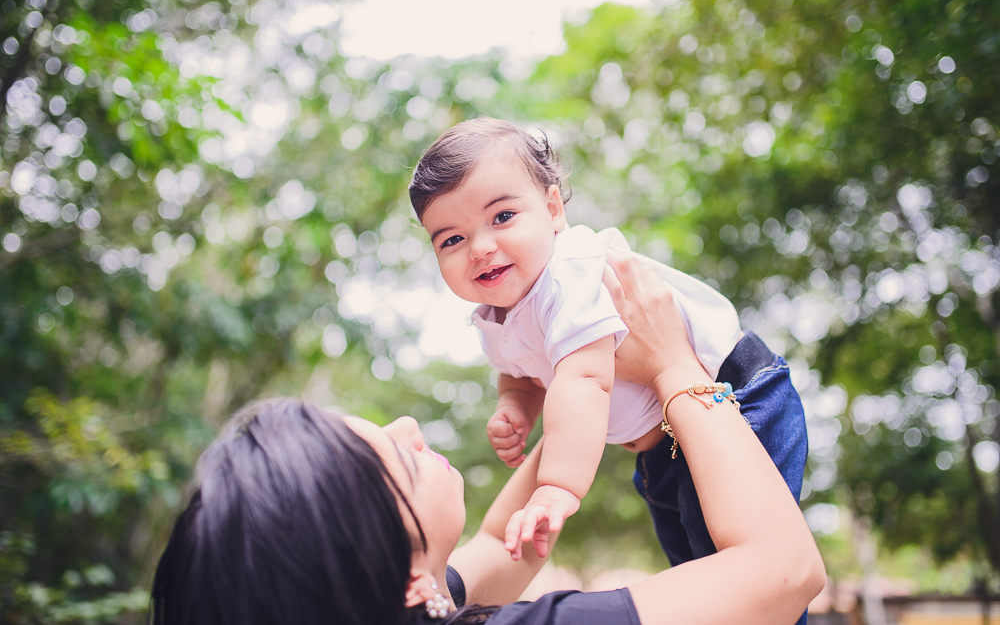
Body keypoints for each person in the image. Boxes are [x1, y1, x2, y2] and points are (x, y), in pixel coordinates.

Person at [150, 250, 825, 625]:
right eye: (394, 459)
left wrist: (584, 384)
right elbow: (786, 574)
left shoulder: (395, 607)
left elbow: (501, 550)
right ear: (405, 578)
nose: (409, 427)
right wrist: (674, 364)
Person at [408, 118, 808, 580]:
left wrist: (556, 487)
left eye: (502, 217)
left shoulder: (569, 272)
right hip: (662, 443)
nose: (479, 247)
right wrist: (515, 404)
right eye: (452, 239)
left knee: (747, 578)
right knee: (695, 573)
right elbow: (521, 372)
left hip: (736, 399)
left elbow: (584, 378)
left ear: (553, 209)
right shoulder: (494, 313)